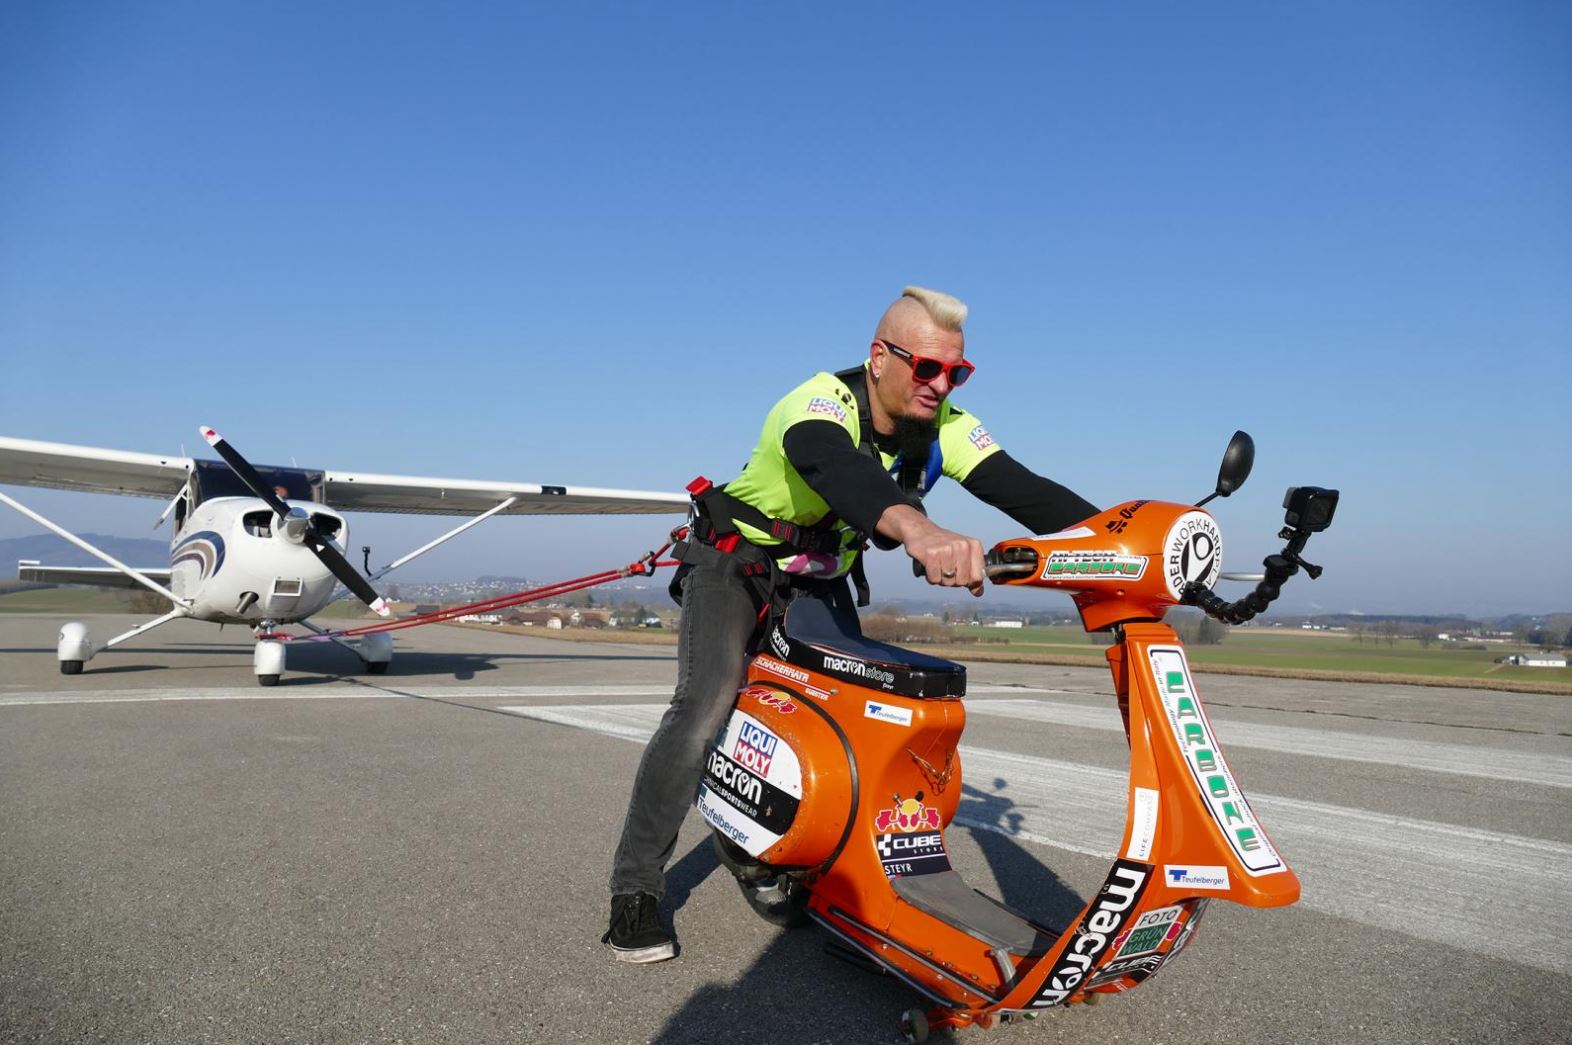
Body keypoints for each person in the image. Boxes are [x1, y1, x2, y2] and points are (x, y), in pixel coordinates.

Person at [603, 286, 1098, 962]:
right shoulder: (816, 404)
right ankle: (634, 891)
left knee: (863, 704)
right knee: (704, 705)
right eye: (926, 366)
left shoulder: (945, 424)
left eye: (957, 370)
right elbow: (834, 467)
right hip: (736, 564)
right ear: (878, 358)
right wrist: (919, 531)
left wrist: (1129, 539)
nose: (941, 383)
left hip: (817, 575)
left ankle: (799, 859)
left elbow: (1024, 487)